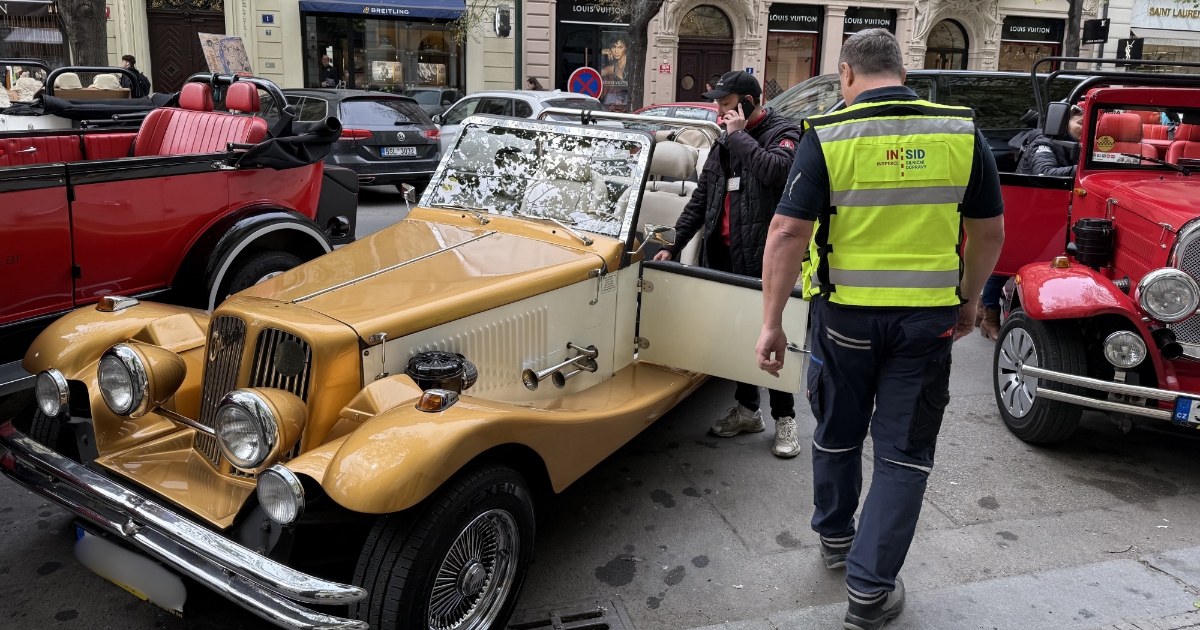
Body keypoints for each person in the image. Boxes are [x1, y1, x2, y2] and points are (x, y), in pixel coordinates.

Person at [755, 29, 1005, 629]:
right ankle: (869, 593)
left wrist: (769, 325)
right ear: (902, 69)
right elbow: (990, 231)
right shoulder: (958, 133)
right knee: (904, 453)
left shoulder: (829, 134)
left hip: (843, 324)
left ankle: (837, 540)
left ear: (846, 75)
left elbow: (787, 233)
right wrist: (969, 301)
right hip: (926, 328)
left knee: (837, 432)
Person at [653, 70, 803, 458]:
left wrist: (738, 137)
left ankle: (785, 418)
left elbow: (777, 171)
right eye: (718, 103)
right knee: (736, 338)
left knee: (772, 337)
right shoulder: (722, 145)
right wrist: (674, 244)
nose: (719, 110)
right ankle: (747, 409)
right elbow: (701, 200)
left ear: (748, 102)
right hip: (722, 256)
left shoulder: (783, 132)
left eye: (725, 103)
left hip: (763, 259)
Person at [1016, 103, 1084, 177]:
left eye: (1090, 124)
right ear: (1064, 124)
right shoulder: (1043, 142)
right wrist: (1087, 169)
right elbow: (1044, 173)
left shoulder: (1085, 144)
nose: (1086, 128)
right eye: (1081, 123)